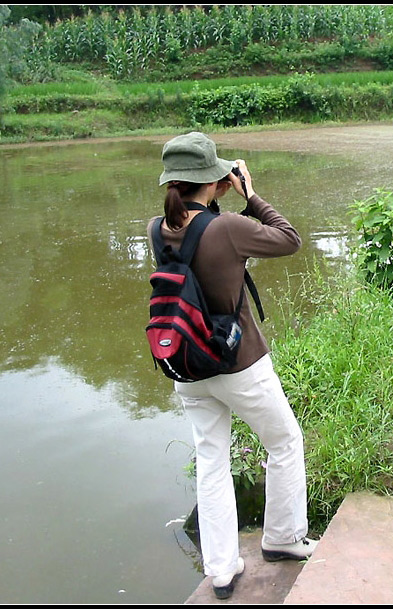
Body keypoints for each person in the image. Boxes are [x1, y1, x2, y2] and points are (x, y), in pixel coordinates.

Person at [147, 132, 317, 599]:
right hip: (239, 363)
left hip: (187, 365)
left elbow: (200, 243)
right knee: (284, 442)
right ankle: (282, 540)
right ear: (216, 183)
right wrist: (252, 194)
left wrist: (224, 198)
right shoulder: (226, 228)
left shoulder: (155, 228)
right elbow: (289, 239)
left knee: (211, 459)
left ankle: (221, 570)